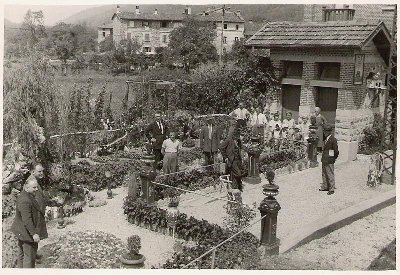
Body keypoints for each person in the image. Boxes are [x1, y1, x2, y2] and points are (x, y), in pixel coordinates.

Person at [11, 177, 48, 268]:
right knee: (29, 258)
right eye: (34, 188)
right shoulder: (25, 200)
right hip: (26, 233)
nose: (36, 189)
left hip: (22, 231)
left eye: (36, 187)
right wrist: (34, 234)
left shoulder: (27, 196)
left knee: (22, 255)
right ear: (26, 188)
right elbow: (27, 219)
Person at [220, 126, 245, 192]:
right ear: (234, 135)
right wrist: (225, 157)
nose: (238, 137)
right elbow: (221, 148)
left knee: (234, 174)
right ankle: (238, 186)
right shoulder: (228, 140)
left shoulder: (238, 141)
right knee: (238, 173)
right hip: (231, 160)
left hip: (238, 159)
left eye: (239, 136)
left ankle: (236, 187)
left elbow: (240, 148)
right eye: (238, 136)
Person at [319, 125, 339, 195]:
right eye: (324, 131)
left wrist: (333, 158)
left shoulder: (333, 139)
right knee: (324, 173)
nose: (324, 132)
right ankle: (325, 186)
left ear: (329, 132)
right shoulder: (325, 139)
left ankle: (331, 188)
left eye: (326, 131)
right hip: (324, 158)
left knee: (330, 174)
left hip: (330, 159)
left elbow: (336, 151)